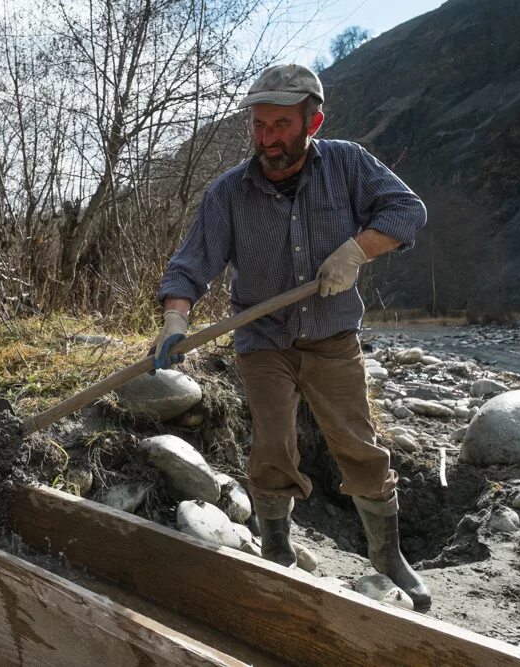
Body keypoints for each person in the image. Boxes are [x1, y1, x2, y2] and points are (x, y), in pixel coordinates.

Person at [151, 64, 430, 608]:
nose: (266, 138)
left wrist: (356, 251)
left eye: (280, 125)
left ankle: (387, 555)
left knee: (357, 443)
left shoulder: (348, 165)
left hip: (331, 334)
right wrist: (176, 317)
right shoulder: (229, 192)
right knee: (273, 444)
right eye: (259, 125)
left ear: (313, 121)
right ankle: (278, 552)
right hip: (262, 335)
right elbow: (190, 263)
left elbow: (407, 211)